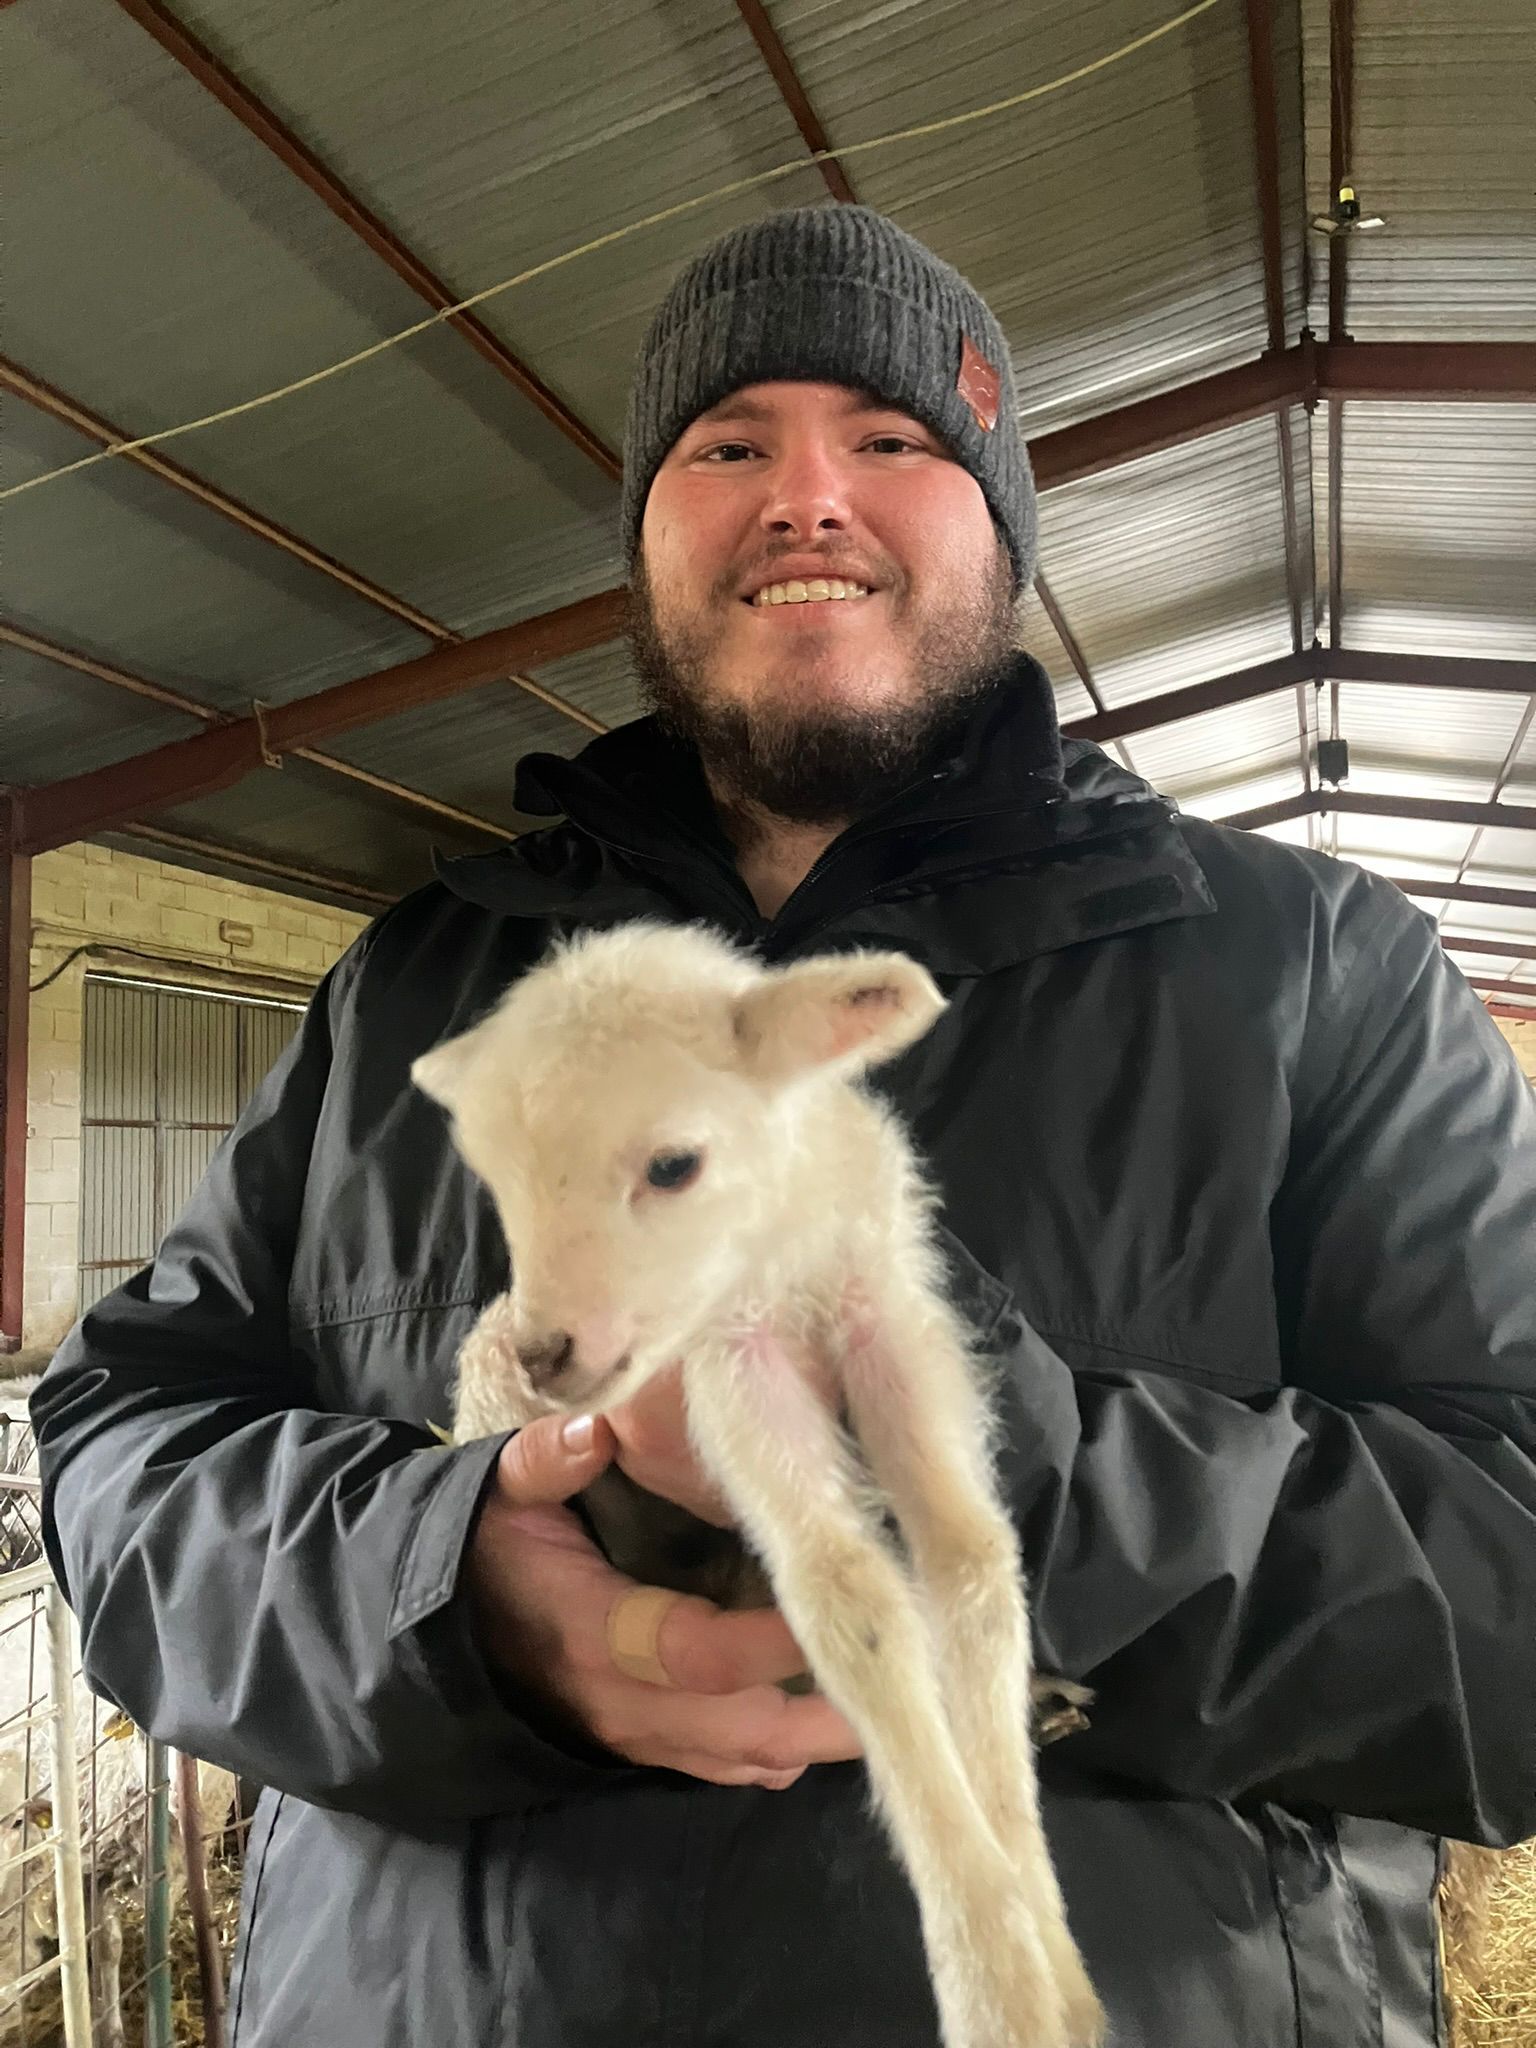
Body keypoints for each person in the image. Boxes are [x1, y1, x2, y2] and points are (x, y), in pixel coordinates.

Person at [32, 205, 1536, 2048]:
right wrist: (441, 1593)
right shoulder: (419, 992)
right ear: (649, 538)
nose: (806, 495)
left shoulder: (1315, 975)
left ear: (1000, 524)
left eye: (893, 442)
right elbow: (127, 1446)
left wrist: (973, 1455)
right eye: (727, 444)